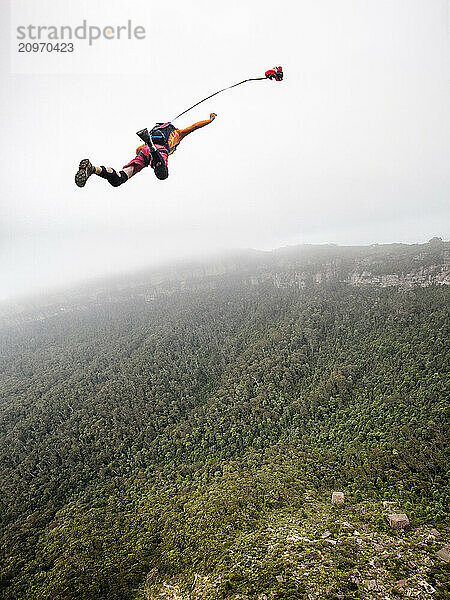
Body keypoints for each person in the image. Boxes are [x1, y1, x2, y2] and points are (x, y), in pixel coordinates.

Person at [75, 113, 217, 188]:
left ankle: (93, 169)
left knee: (119, 179)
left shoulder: (157, 134)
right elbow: (194, 127)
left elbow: (138, 150)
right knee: (162, 175)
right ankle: (150, 145)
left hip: (144, 152)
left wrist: (145, 152)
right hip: (158, 151)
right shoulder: (178, 134)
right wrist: (209, 120)